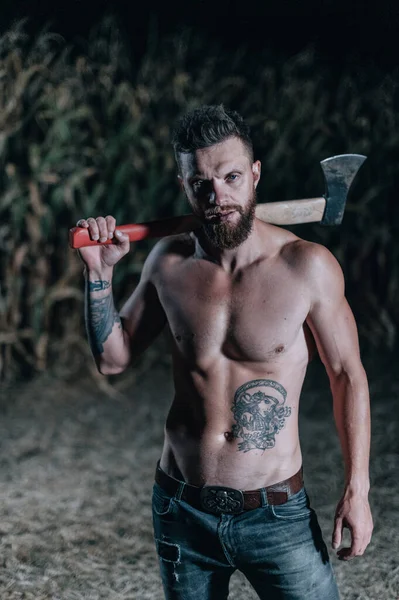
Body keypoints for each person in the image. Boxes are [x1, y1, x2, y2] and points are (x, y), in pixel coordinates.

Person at [76, 105, 373, 600]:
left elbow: (348, 375)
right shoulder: (168, 263)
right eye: (201, 185)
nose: (218, 197)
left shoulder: (306, 267)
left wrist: (357, 489)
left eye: (232, 177)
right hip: (181, 508)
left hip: (276, 513)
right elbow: (113, 358)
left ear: (255, 175)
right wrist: (98, 275)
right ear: (184, 186)